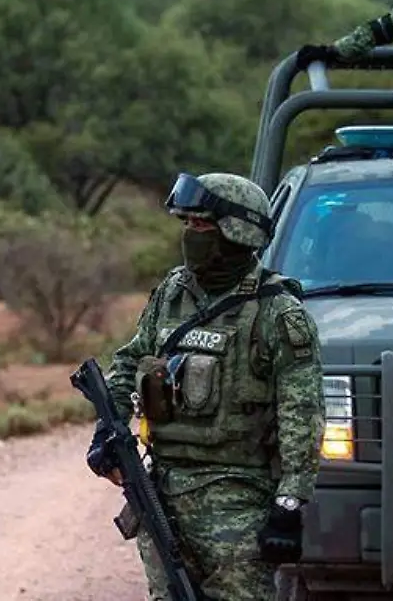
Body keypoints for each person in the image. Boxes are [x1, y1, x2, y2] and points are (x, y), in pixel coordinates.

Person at [87, 172, 326, 600]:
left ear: (237, 233)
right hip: (162, 495)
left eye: (200, 226)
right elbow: (128, 359)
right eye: (186, 224)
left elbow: (302, 412)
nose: (189, 235)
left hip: (238, 500)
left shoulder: (277, 313)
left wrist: (291, 501)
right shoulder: (172, 294)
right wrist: (108, 429)